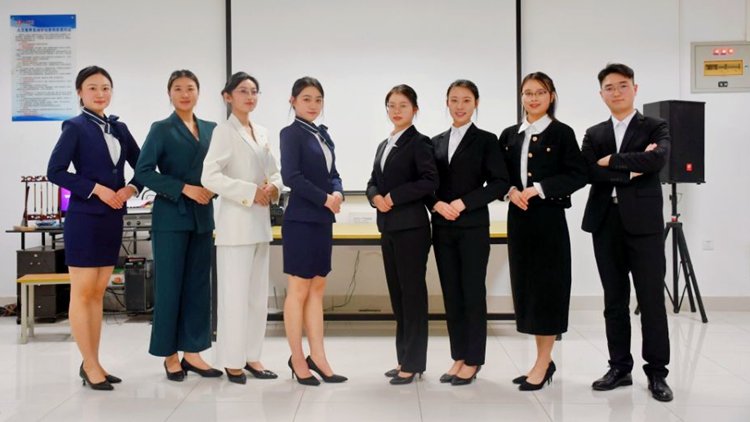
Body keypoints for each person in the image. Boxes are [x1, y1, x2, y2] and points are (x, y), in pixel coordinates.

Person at [581, 63, 673, 402]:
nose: (616, 92)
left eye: (623, 85)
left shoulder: (655, 126)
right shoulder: (594, 133)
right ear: (601, 94)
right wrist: (631, 168)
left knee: (651, 300)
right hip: (606, 223)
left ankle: (657, 373)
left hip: (644, 225)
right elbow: (588, 171)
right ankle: (619, 367)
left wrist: (611, 161)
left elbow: (657, 160)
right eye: (609, 87)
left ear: (635, 89)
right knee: (614, 301)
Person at [47, 66, 142, 391]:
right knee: (84, 291)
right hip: (85, 217)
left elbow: (142, 165)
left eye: (105, 87)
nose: (100, 93)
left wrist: (131, 188)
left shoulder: (119, 128)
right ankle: (90, 364)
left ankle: (93, 362)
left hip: (112, 217)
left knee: (98, 292)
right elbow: (55, 171)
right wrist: (96, 189)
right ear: (80, 93)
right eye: (92, 88)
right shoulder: (74, 127)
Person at [499, 71, 587, 391]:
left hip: (548, 220)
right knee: (527, 289)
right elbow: (498, 176)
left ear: (551, 96)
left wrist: (538, 189)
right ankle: (541, 361)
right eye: (527, 93)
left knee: (548, 290)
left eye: (540, 92)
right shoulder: (510, 135)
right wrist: (510, 191)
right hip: (518, 219)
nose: (533, 98)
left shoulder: (562, 133)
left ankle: (543, 361)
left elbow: (578, 174)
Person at [135, 70, 221, 382]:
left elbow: (220, 169)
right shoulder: (161, 129)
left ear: (199, 92)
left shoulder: (212, 129)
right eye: (178, 88)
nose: (185, 94)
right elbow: (144, 171)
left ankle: (193, 353)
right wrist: (184, 188)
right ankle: (169, 354)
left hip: (202, 216)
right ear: (169, 93)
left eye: (190, 88)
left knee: (198, 287)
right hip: (171, 217)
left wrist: (213, 189)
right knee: (169, 288)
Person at [202, 72, 283, 385]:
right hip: (236, 226)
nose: (250, 97)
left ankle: (252, 356)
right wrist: (249, 191)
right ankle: (232, 361)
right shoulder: (224, 132)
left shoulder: (261, 132)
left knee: (256, 298)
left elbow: (275, 172)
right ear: (228, 96)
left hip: (260, 224)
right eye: (243, 91)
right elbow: (210, 177)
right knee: (234, 298)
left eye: (254, 91)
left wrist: (274, 188)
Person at [426, 80, 509, 386]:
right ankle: (458, 357)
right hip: (442, 228)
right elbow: (426, 183)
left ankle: (473, 360)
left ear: (476, 103)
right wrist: (435, 204)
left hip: (473, 227)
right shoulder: (434, 142)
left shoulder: (486, 140)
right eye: (454, 100)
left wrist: (464, 203)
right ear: (447, 103)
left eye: (466, 100)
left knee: (472, 293)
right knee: (451, 294)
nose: (459, 106)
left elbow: (500, 183)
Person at [366, 84, 439, 385]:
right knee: (398, 296)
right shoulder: (384, 144)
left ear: (415, 110)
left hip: (411, 229)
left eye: (403, 106)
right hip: (388, 227)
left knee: (413, 296)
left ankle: (414, 362)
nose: (396, 111)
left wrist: (393, 197)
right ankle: (403, 359)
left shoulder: (420, 143)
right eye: (392, 106)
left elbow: (430, 181)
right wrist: (374, 197)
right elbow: (373, 181)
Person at [280, 77, 347, 386]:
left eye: (318, 99)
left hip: (322, 219)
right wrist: (325, 198)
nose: (313, 104)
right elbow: (291, 176)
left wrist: (338, 192)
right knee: (298, 289)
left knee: (318, 287)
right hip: (301, 221)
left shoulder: (322, 134)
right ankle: (297, 359)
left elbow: (333, 173)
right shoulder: (290, 133)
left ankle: (318, 357)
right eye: (306, 98)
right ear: (293, 101)